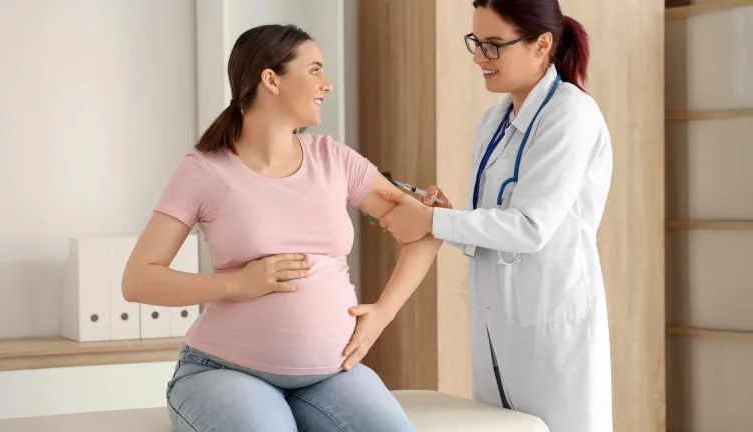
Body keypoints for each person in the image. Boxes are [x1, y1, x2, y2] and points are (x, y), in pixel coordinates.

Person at [121, 24, 441, 432]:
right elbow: (138, 280)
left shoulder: (335, 160)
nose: (327, 84)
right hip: (224, 370)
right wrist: (237, 284)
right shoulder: (204, 170)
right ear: (271, 80)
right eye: (314, 70)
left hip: (331, 373)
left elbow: (424, 231)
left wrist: (382, 313)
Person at [375, 1, 613, 432]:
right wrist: (443, 216)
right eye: (477, 43)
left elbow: (530, 228)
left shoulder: (571, 114)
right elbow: (493, 224)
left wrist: (431, 223)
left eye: (494, 45)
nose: (479, 58)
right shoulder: (494, 121)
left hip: (552, 325)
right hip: (495, 323)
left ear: (541, 45)